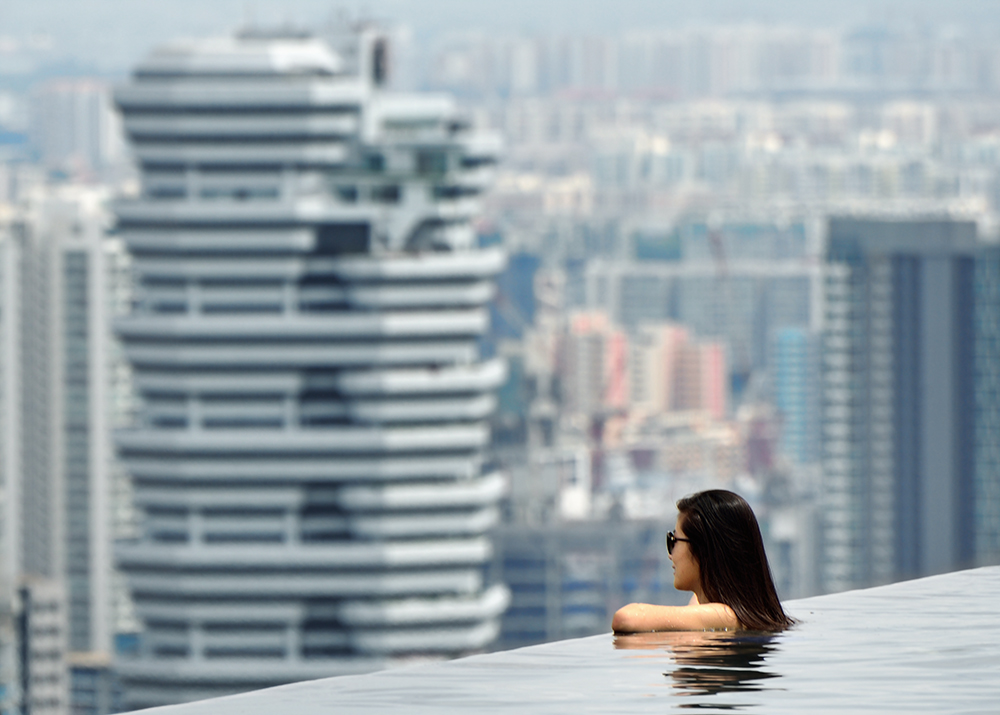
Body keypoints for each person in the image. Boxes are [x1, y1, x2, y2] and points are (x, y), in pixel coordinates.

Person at [612, 489, 794, 632]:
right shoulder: (728, 610)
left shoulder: (723, 616)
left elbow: (625, 618)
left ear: (704, 551)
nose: (670, 554)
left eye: (673, 541)